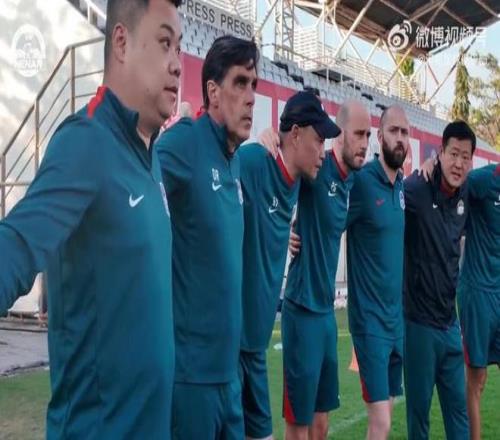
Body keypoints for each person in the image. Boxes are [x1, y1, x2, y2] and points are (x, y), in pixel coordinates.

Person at [0, 0, 181, 437]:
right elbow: (17, 245)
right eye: (164, 43)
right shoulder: (85, 142)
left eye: (178, 47)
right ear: (121, 42)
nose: (177, 64)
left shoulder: (149, 155)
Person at [155, 35, 259, 439]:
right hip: (190, 380)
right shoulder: (184, 143)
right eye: (240, 83)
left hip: (229, 377)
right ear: (213, 92)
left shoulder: (234, 161)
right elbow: (137, 191)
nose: (251, 97)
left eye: (254, 84)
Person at [258, 100, 372, 440]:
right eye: (358, 134)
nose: (364, 143)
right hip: (301, 308)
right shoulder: (317, 168)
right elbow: (283, 170)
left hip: (326, 314)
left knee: (320, 426)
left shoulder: (355, 180)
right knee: (299, 425)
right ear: (341, 137)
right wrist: (269, 136)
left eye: (368, 135)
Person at [239, 91, 341, 440]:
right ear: (295, 134)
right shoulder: (255, 161)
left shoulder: (301, 181)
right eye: (319, 140)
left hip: (255, 346)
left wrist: (283, 236)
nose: (323, 151)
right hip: (228, 346)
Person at [403, 121, 475, 439]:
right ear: (440, 152)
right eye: (453, 154)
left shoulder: (468, 193)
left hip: (450, 324)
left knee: (458, 415)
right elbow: (376, 201)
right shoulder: (416, 188)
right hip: (418, 325)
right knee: (419, 417)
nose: (458, 163)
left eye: (465, 157)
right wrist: (299, 229)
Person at [346, 105, 409, 440]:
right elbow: (327, 213)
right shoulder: (361, 181)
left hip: (396, 322)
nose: (400, 138)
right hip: (369, 324)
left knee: (386, 415)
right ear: (379, 136)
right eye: (393, 131)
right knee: (381, 422)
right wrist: (295, 233)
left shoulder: (401, 187)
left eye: (404, 132)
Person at [457, 163, 500, 440]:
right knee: (477, 379)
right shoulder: (482, 180)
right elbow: (449, 190)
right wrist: (431, 166)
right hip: (477, 293)